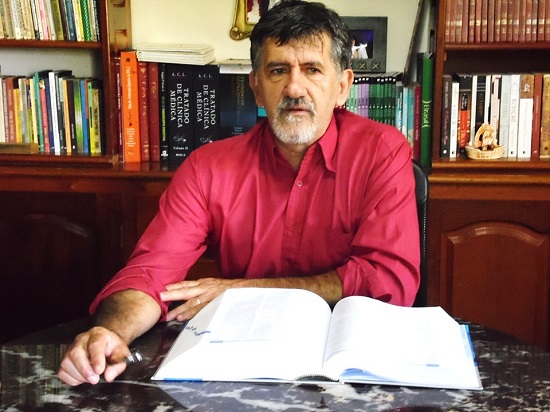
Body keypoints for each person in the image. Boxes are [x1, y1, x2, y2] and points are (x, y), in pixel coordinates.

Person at [58, 0, 420, 386]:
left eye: (312, 70)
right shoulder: (208, 166)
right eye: (278, 71)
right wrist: (111, 332)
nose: (294, 88)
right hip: (245, 355)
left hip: (349, 358)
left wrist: (239, 290)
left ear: (342, 86)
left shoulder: (382, 151)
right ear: (256, 87)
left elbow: (389, 280)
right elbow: (152, 273)